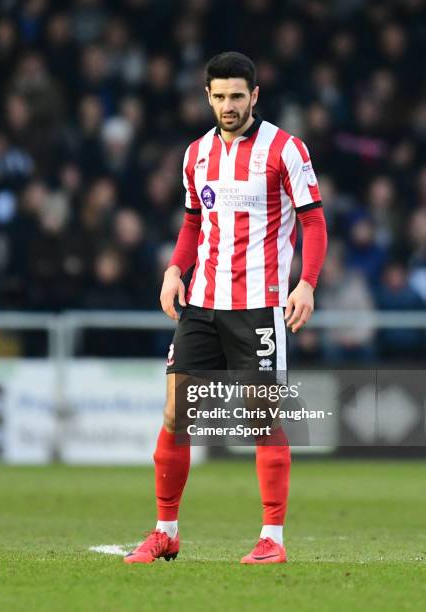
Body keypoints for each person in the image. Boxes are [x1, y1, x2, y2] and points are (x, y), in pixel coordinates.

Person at [124, 52, 327, 565]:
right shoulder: (195, 155)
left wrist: (306, 283)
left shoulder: (286, 149)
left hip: (260, 307)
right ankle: (165, 531)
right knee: (176, 414)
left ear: (254, 96)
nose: (228, 105)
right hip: (202, 303)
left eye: (238, 95)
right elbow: (194, 222)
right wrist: (174, 269)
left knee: (262, 420)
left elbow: (314, 223)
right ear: (207, 96)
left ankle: (272, 540)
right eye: (219, 96)